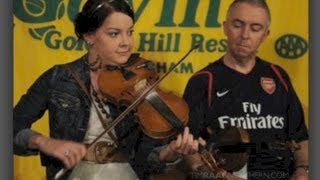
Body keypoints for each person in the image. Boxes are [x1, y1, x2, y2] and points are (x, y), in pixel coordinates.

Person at [13, 0, 200, 179]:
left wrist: (168, 153)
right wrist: (43, 142)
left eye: (130, 32)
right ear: (89, 36)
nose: (126, 42)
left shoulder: (139, 83)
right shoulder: (58, 78)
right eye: (114, 34)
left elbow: (145, 162)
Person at [183, 0, 309, 179]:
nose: (245, 35)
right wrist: (216, 177)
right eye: (237, 25)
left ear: (265, 35)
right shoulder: (203, 81)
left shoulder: (278, 76)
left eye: (255, 28)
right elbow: (189, 150)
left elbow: (300, 137)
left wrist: (303, 169)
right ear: (225, 27)